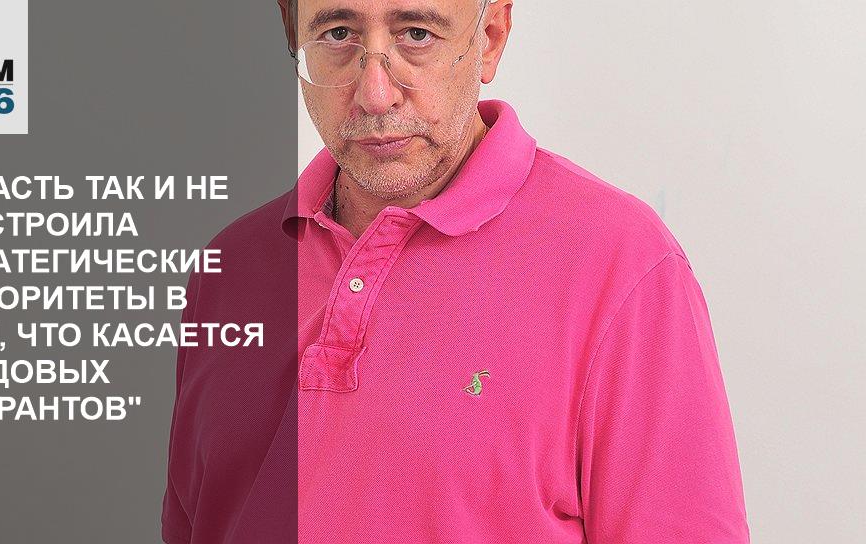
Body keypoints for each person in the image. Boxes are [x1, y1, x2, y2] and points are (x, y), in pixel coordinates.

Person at [162, 0, 752, 542]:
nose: (375, 95)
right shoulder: (227, 270)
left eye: (417, 34)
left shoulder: (622, 264)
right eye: (337, 34)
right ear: (294, 34)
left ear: (490, 37)